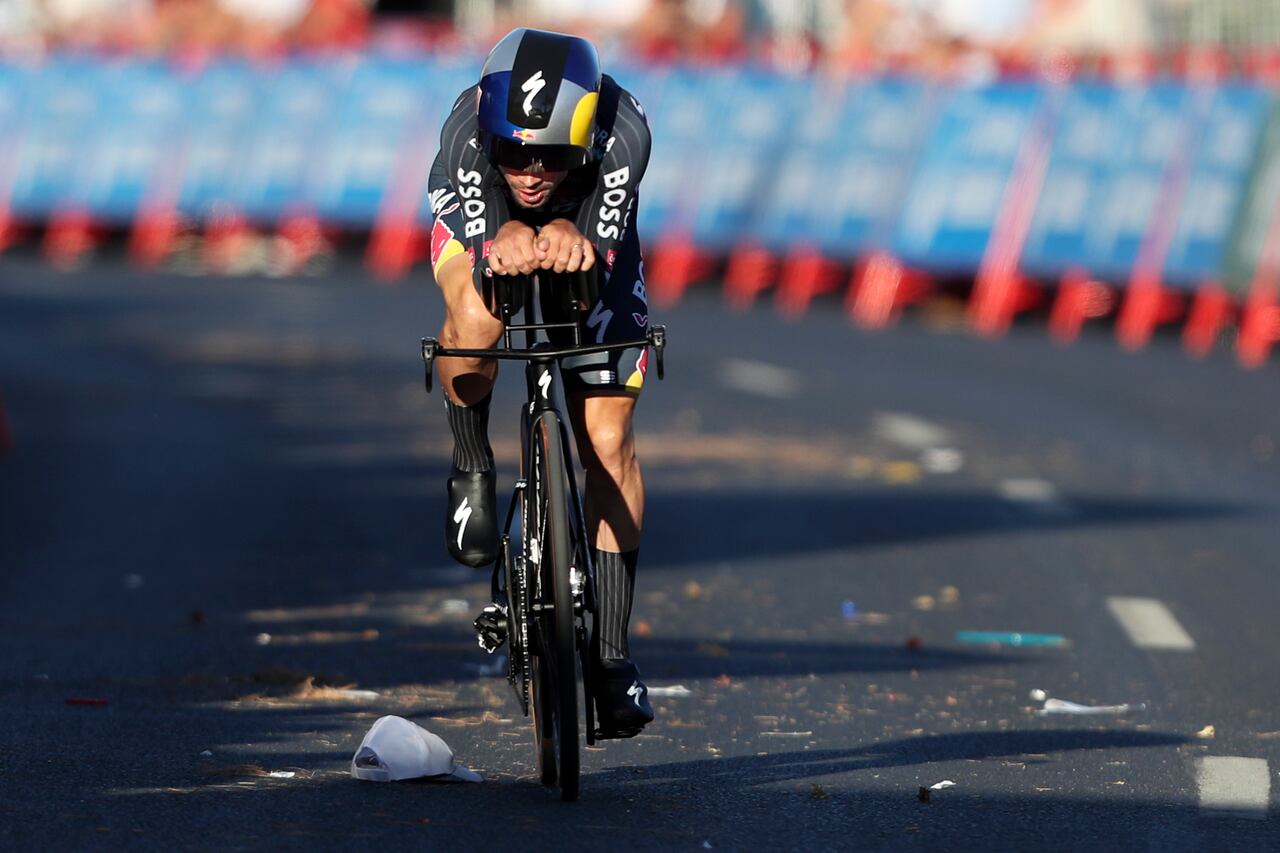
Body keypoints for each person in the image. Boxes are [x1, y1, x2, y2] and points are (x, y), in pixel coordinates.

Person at [426, 27, 654, 737]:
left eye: (550, 156)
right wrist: (506, 230)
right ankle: (471, 460)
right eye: (514, 151)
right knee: (477, 314)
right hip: (479, 222)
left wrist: (570, 229)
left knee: (608, 439)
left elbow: (597, 239)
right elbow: (489, 226)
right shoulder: (470, 130)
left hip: (591, 228)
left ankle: (613, 658)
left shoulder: (625, 136)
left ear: (582, 139)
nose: (529, 170)